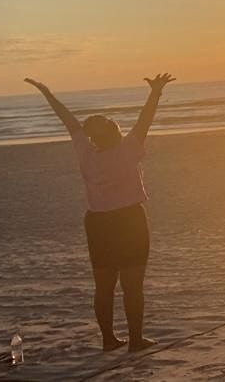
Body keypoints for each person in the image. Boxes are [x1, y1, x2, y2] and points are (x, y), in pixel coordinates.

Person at [25, 73, 175, 352]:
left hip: (98, 223)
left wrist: (47, 92)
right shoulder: (129, 149)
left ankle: (108, 339)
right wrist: (155, 92)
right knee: (132, 284)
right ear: (115, 131)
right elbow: (146, 118)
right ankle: (136, 340)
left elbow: (67, 120)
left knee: (104, 285)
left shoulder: (86, 152)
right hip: (129, 220)